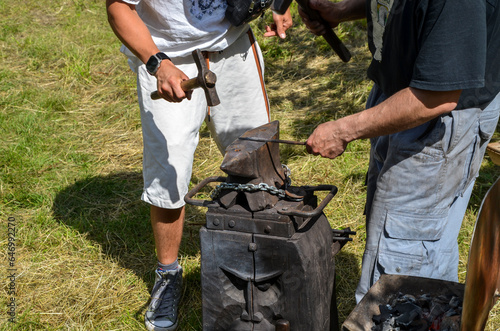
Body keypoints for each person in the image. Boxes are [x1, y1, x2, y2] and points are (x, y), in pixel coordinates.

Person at [105, 1, 292, 330]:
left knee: (259, 158)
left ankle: (267, 264)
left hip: (233, 46)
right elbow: (118, 8)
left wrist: (277, 5)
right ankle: (167, 274)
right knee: (169, 175)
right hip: (168, 56)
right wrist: (157, 63)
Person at [299, 0, 500, 303]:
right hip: (401, 95)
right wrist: (345, 10)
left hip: (431, 111)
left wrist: (344, 130)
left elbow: (437, 96)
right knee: (423, 244)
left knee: (398, 276)